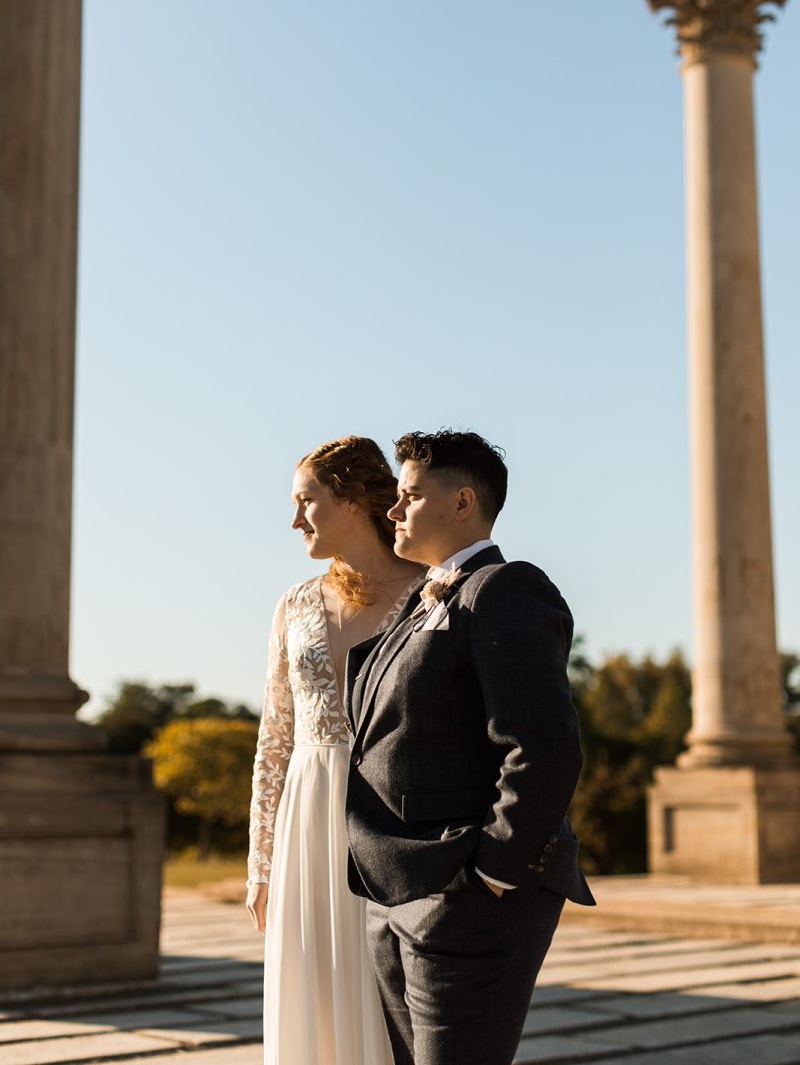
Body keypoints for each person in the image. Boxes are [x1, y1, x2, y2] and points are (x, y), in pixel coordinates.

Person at [344, 429, 595, 1065]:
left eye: (408, 496)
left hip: (466, 895)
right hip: (396, 890)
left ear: (461, 503)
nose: (393, 511)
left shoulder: (506, 589)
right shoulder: (415, 605)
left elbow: (543, 745)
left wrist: (492, 873)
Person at [246, 436, 422, 1065]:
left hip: (395, 811)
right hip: (308, 815)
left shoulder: (433, 594)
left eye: (306, 502)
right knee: (314, 988)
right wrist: (261, 862)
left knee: (393, 996)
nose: (295, 521)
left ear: (350, 500)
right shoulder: (293, 605)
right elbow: (276, 739)